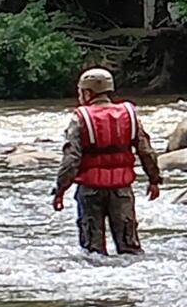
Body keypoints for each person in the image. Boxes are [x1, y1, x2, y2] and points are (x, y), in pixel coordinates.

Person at [52, 67, 161, 254]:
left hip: (90, 190)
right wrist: (154, 180)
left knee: (93, 252)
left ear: (87, 92)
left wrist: (60, 190)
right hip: (122, 191)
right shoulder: (130, 116)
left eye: (80, 91)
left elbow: (71, 160)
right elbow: (146, 151)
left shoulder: (80, 119)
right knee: (130, 248)